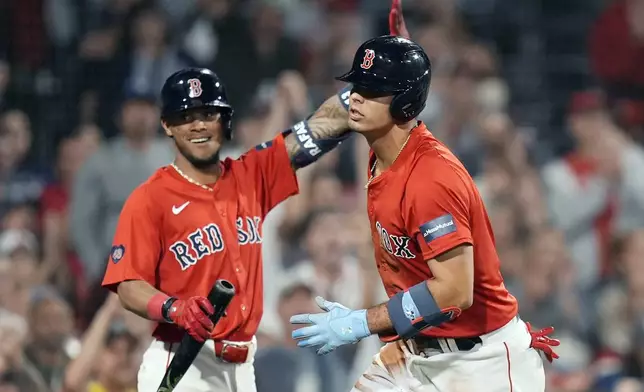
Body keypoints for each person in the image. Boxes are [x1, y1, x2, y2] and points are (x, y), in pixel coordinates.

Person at [289, 35, 560, 391]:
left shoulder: (429, 178)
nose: (355, 97)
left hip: (479, 363)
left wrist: (363, 322)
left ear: (405, 103)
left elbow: (454, 291)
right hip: (416, 350)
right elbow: (327, 119)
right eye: (356, 85)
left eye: (372, 91)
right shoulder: (384, 155)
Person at [101, 67, 352, 392]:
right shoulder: (150, 199)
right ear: (167, 125)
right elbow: (129, 285)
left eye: (209, 113)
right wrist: (173, 308)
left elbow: (316, 130)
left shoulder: (251, 176)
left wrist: (376, 83)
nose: (199, 125)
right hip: (182, 361)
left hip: (241, 365)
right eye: (186, 116)